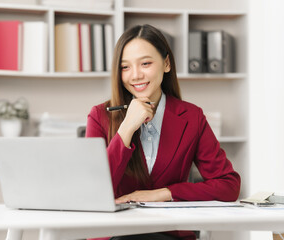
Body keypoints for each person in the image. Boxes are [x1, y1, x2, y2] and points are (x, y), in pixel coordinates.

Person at [85, 24, 241, 240]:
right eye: (125, 67)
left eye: (146, 63)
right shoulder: (99, 116)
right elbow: (91, 192)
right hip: (114, 234)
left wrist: (163, 193)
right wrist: (126, 129)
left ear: (166, 63)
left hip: (170, 234)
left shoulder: (192, 117)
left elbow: (228, 185)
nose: (136, 75)